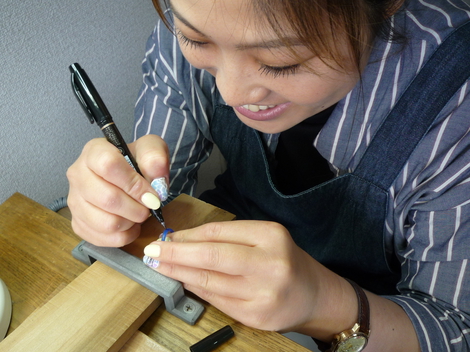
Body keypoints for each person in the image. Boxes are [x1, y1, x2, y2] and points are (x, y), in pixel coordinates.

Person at [66, 0, 470, 351]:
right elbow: (157, 196)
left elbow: (456, 330)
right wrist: (114, 203)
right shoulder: (202, 14)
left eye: (281, 62)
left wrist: (325, 305)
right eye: (196, 40)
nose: (230, 93)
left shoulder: (458, 100)